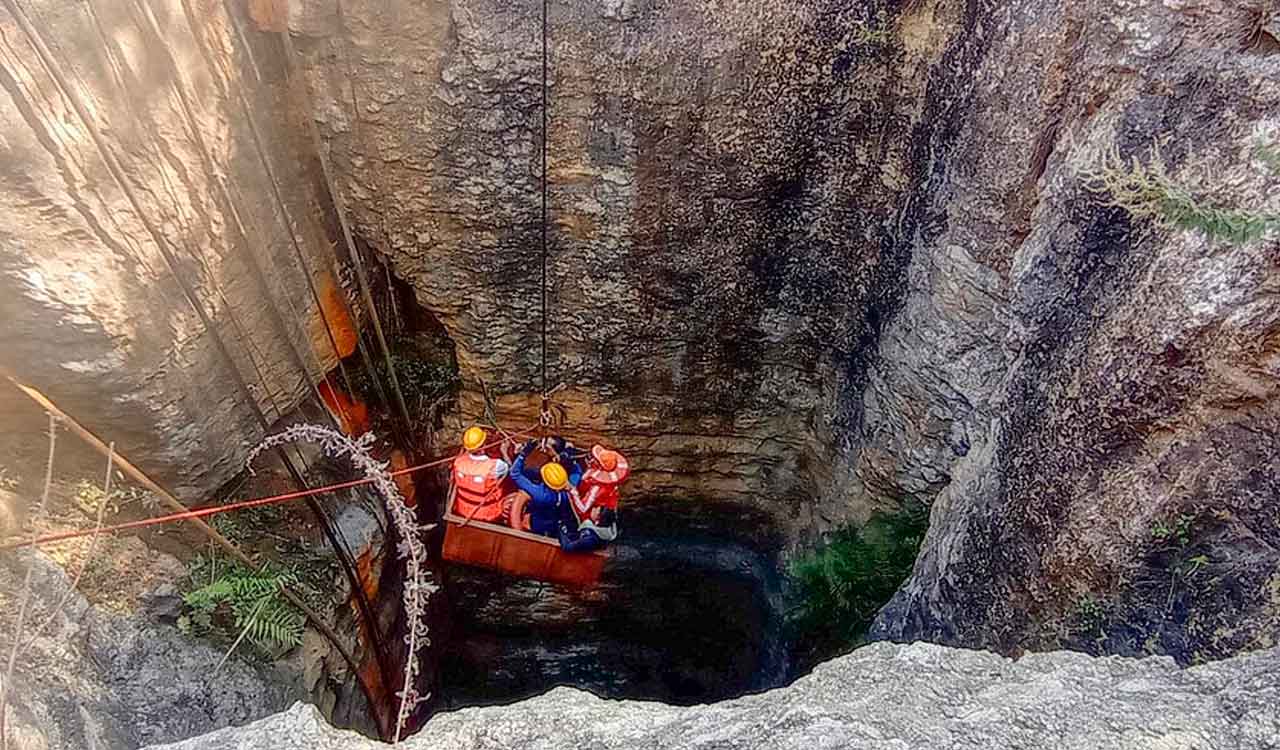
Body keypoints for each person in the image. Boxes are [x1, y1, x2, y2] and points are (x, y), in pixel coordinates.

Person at [510, 440, 581, 537]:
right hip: (554, 526)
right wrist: (572, 460)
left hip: (535, 526)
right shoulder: (568, 493)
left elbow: (515, 473)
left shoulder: (539, 494)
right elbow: (577, 472)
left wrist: (523, 454)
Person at [450, 426, 509, 523]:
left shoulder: (458, 462)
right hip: (488, 515)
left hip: (462, 512)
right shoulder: (496, 465)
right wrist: (504, 451)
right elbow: (511, 471)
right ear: (483, 445)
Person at [571, 444, 629, 524]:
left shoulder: (597, 488)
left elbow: (583, 509)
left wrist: (572, 491)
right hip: (599, 506)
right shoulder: (612, 482)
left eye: (595, 459)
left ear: (600, 467)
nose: (592, 459)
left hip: (590, 517)